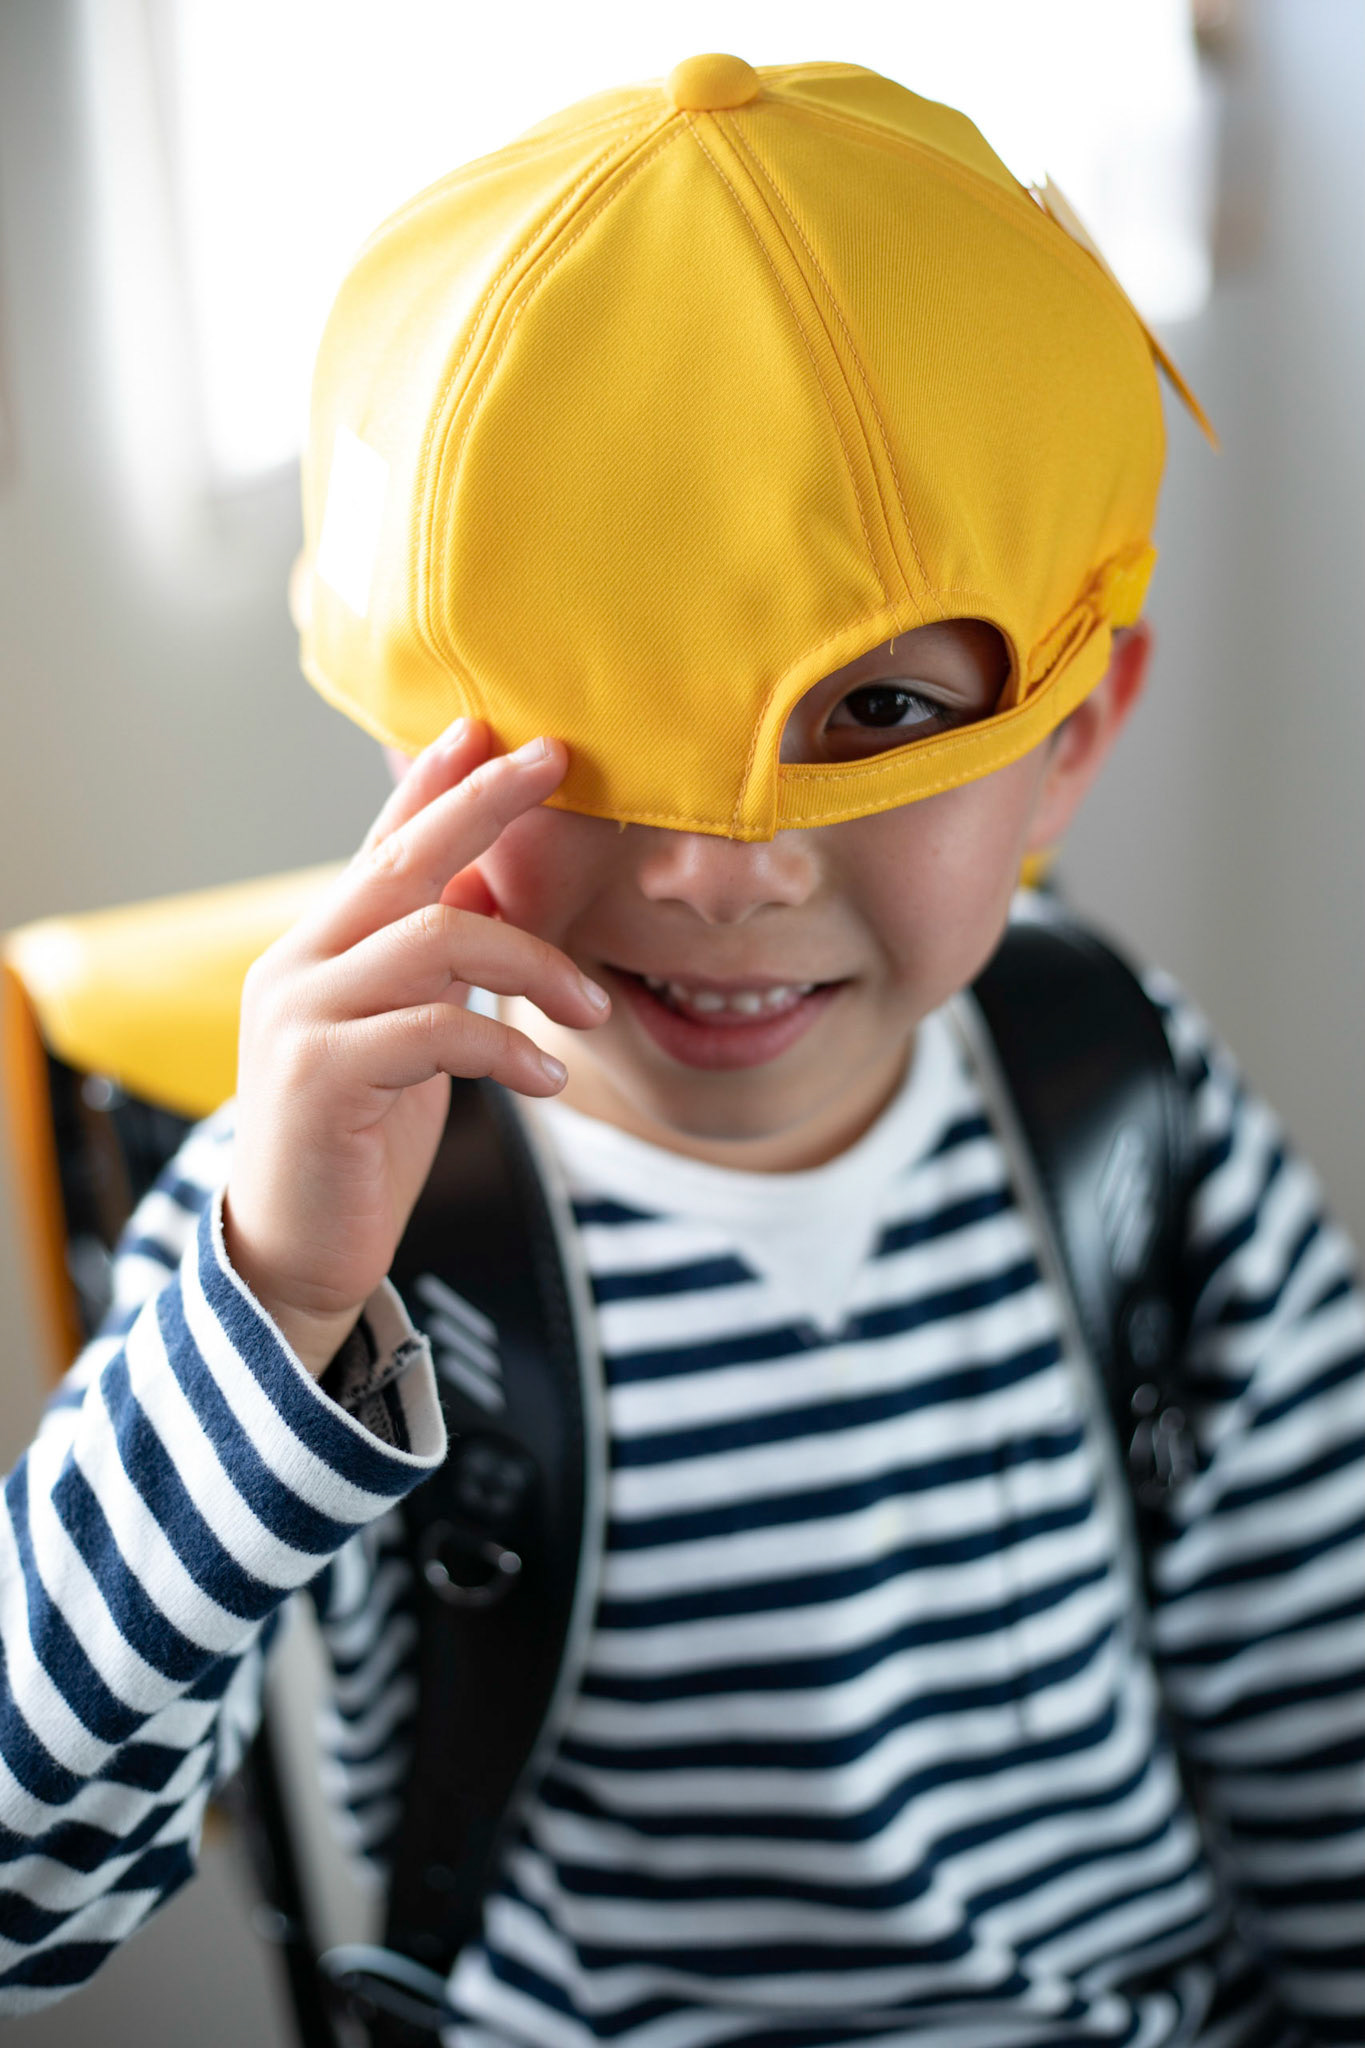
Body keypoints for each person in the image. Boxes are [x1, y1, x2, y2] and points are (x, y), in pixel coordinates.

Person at [2, 52, 1361, 2047]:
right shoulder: (325, 1224)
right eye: (589, 722)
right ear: (405, 734)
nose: (719, 875)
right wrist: (277, 1299)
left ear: (1072, 735)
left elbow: (1323, 1727)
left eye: (876, 715)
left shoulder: (1111, 1089)